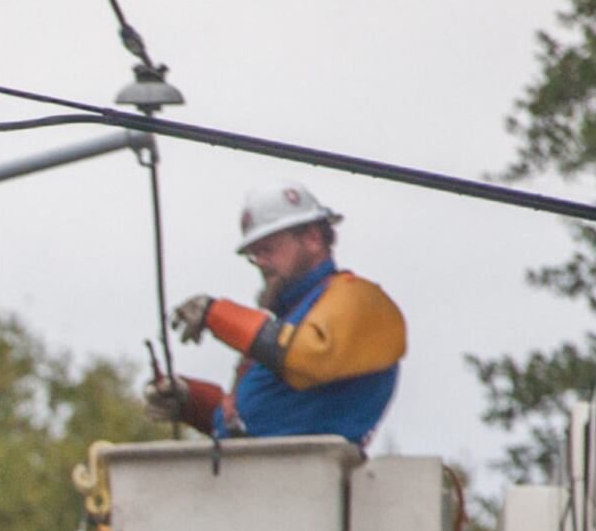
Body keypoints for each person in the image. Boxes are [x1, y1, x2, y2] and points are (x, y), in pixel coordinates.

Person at [147, 182, 408, 446]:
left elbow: (308, 356)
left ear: (313, 238)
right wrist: (190, 400)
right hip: (265, 474)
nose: (260, 262)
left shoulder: (361, 301)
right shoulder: (291, 320)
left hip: (313, 476)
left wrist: (218, 315)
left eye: (268, 249)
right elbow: (249, 424)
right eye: (254, 254)